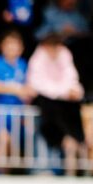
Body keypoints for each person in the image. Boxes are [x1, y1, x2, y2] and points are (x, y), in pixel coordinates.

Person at [28, 34, 87, 176]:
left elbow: (71, 78)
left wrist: (74, 91)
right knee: (45, 133)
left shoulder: (64, 53)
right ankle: (42, 168)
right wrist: (62, 93)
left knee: (72, 138)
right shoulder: (38, 57)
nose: (55, 50)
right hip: (45, 107)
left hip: (64, 107)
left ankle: (72, 172)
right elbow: (37, 83)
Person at [0, 30, 33, 164]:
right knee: (3, 139)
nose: (11, 48)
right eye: (8, 44)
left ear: (21, 48)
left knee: (14, 143)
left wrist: (24, 93)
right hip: (0, 111)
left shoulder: (23, 65)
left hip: (19, 112)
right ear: (2, 46)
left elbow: (29, 89)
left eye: (15, 45)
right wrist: (16, 89)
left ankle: (11, 172)